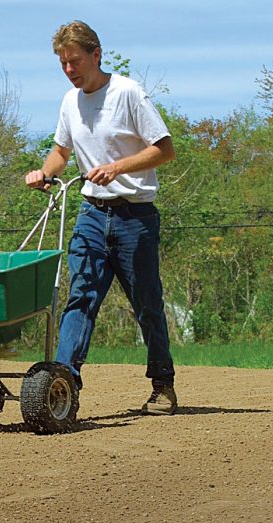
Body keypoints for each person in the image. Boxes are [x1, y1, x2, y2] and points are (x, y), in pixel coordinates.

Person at [25, 20, 178, 415]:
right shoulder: (69, 102)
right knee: (80, 297)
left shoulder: (127, 93)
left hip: (136, 217)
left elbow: (164, 149)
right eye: (63, 63)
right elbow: (61, 152)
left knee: (147, 303)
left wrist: (119, 167)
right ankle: (63, 384)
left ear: (96, 55)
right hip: (92, 214)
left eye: (75, 61)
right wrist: (44, 173)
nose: (70, 70)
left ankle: (162, 386)